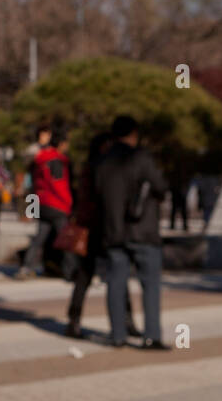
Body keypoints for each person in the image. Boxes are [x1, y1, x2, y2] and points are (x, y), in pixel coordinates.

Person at [96, 115, 168, 349]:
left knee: (116, 282)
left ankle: (117, 335)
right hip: (143, 230)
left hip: (113, 230)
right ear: (134, 134)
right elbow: (160, 187)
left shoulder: (103, 161)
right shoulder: (142, 158)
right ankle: (151, 335)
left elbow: (98, 194)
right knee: (150, 284)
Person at [66, 132, 136, 339]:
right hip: (100, 228)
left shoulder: (90, 168)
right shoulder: (102, 169)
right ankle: (126, 320)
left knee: (87, 276)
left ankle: (75, 320)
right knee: (113, 273)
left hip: (94, 227)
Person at [15, 125, 71, 279]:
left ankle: (27, 267)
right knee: (65, 238)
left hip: (41, 201)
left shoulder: (39, 158)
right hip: (56, 203)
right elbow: (58, 185)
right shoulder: (55, 160)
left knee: (40, 236)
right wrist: (68, 204)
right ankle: (71, 270)